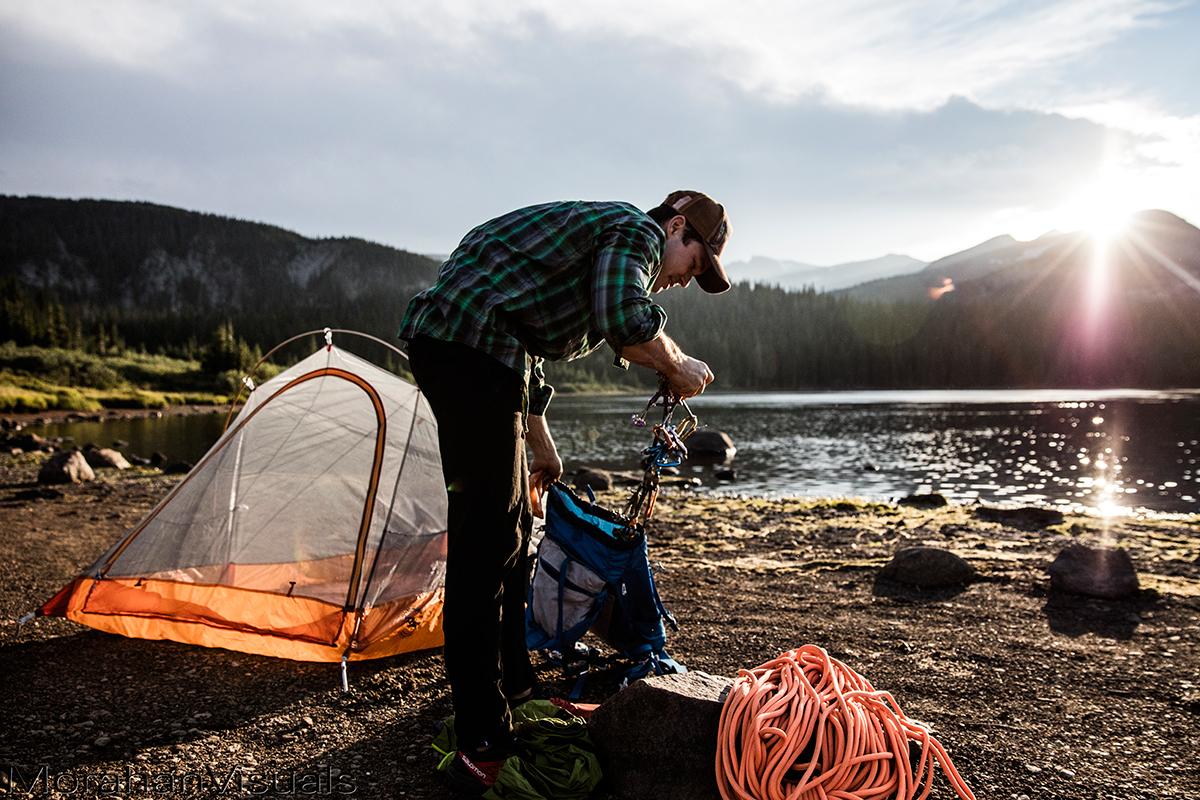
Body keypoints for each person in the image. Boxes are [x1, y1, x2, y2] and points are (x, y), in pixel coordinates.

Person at [398, 190, 731, 793]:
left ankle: (516, 684)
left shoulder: (607, 239)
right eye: (697, 261)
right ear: (677, 225)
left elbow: (524, 344)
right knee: (485, 540)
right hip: (462, 347)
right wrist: (676, 362)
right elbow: (623, 320)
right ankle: (481, 736)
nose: (688, 278)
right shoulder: (637, 232)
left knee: (517, 531)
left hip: (485, 353)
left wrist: (540, 439)